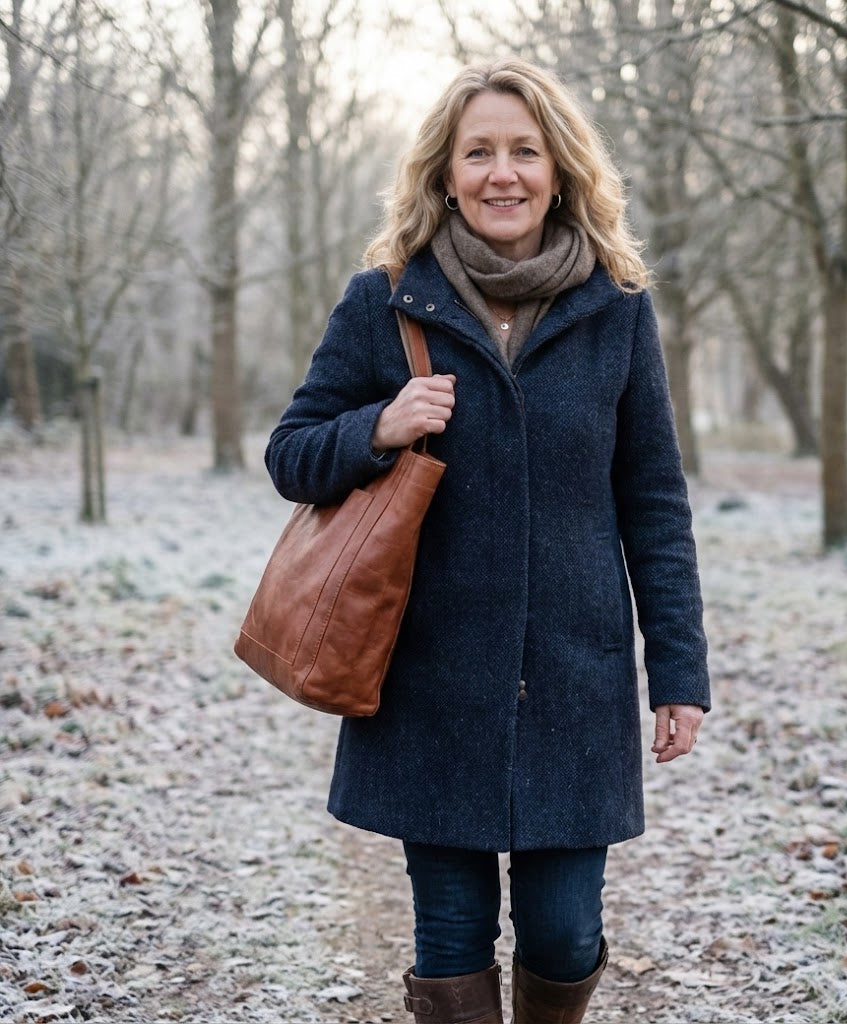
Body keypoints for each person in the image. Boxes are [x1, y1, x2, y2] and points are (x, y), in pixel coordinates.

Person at [265, 56, 710, 1024]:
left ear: (560, 171)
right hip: (428, 680)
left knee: (565, 932)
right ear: (445, 172)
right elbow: (290, 455)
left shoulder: (617, 308)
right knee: (452, 934)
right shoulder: (385, 299)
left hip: (575, 678)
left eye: (524, 151)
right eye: (478, 153)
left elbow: (653, 501)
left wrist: (679, 671)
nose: (501, 173)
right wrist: (377, 426)